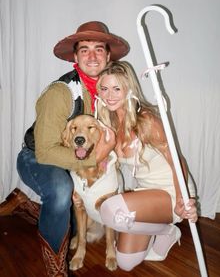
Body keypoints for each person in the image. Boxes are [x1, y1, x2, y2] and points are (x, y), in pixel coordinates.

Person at [0, 22, 130, 276]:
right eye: (84, 50)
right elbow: (46, 152)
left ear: (108, 55)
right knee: (61, 191)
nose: (92, 56)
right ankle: (56, 269)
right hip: (37, 158)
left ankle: (26, 206)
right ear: (75, 57)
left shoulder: (111, 92)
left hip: (78, 160)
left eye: (98, 49)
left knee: (72, 207)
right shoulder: (60, 93)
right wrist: (96, 157)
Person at [95, 60, 198, 271]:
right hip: (146, 193)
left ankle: (166, 230)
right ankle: (166, 232)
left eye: (117, 88)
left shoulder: (147, 120)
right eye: (104, 89)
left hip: (172, 190)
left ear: (129, 89)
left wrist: (182, 198)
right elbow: (97, 161)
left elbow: (177, 161)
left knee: (110, 211)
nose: (109, 95)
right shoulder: (110, 124)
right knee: (125, 263)